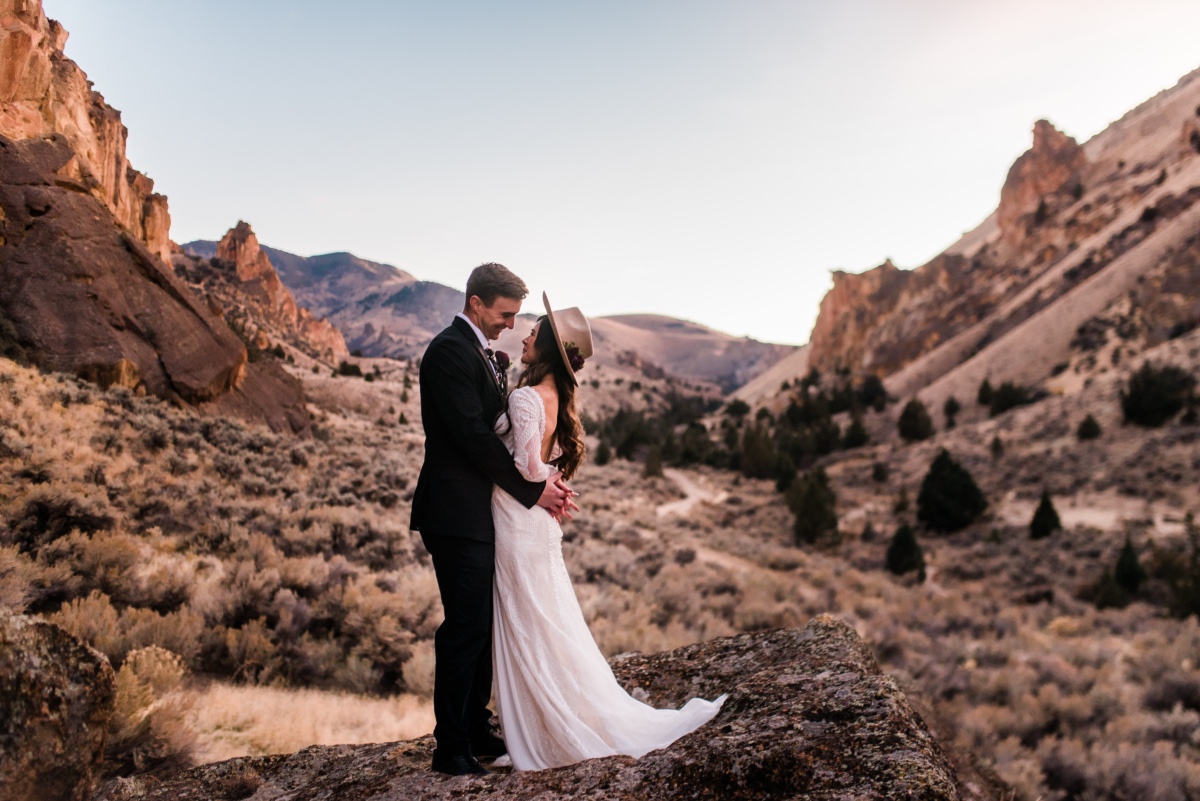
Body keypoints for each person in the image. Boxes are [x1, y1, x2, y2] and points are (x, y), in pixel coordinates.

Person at [490, 293, 726, 771]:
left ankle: (545, 732)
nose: (525, 336)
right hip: (536, 523)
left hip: (516, 518)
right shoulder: (555, 397)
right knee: (546, 625)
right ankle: (552, 718)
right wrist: (552, 479)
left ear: (550, 349)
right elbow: (544, 464)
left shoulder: (525, 396)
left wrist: (540, 477)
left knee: (528, 624)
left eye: (533, 333)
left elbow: (525, 465)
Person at [411, 264, 576, 777]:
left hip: (479, 512)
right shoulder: (447, 352)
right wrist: (532, 490)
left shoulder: (480, 352)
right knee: (465, 628)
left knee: (483, 623)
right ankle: (451, 746)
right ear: (477, 303)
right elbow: (471, 437)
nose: (509, 324)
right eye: (504, 314)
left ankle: (477, 725)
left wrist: (540, 479)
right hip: (455, 512)